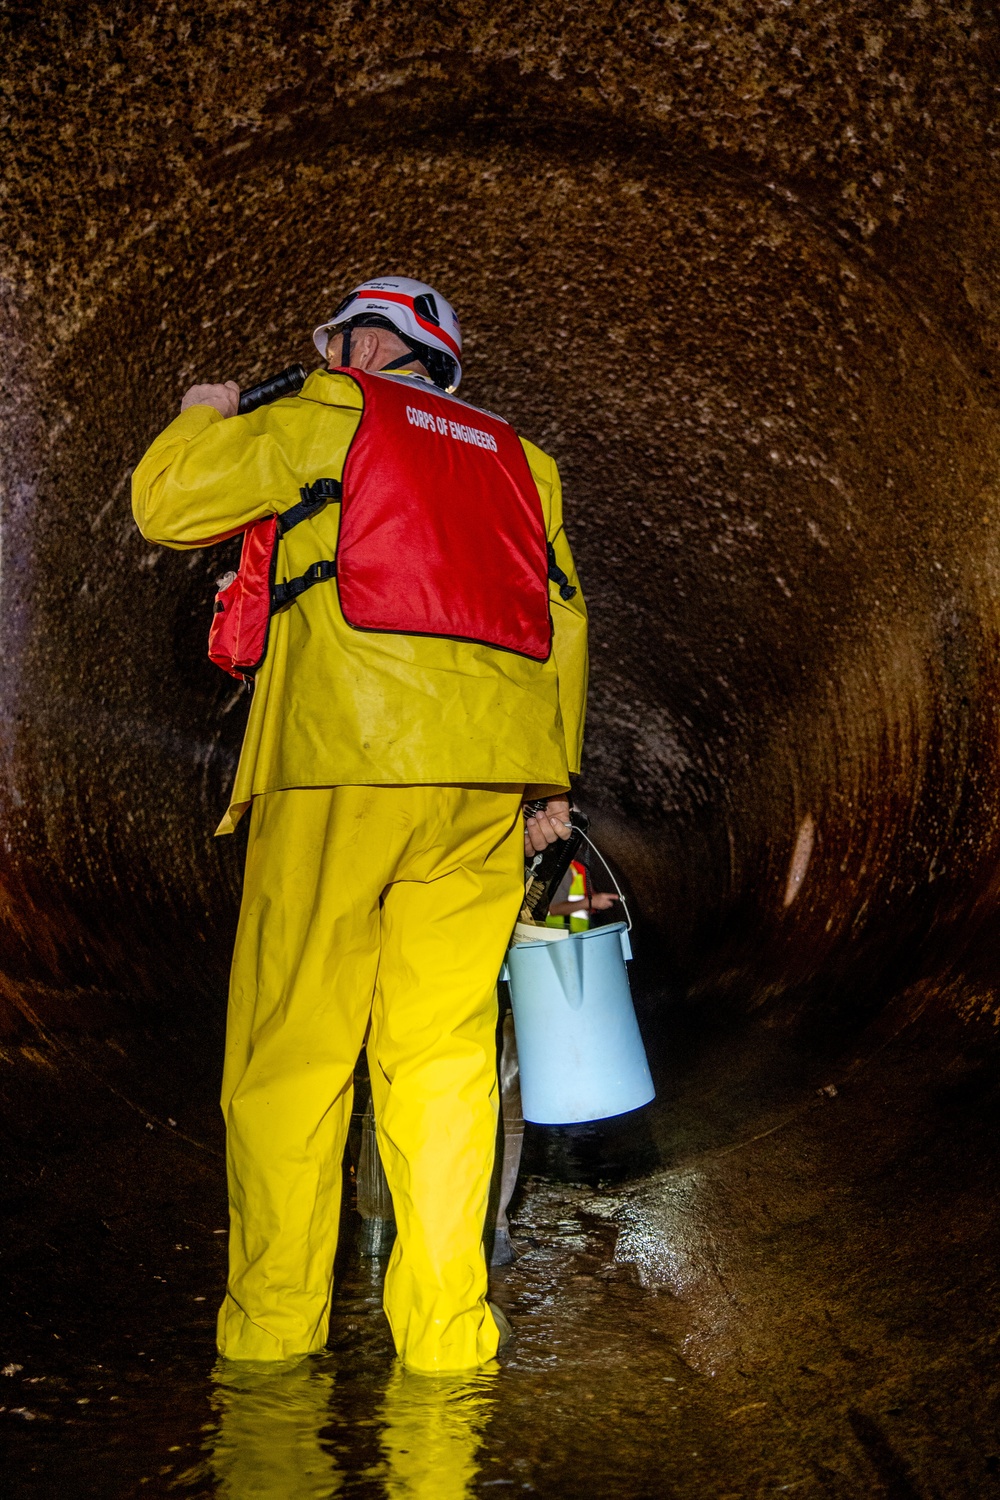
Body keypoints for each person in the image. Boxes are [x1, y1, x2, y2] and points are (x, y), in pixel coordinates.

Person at [131, 275, 588, 1372]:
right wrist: (548, 787)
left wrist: (204, 409)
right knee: (443, 1064)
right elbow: (561, 620)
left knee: (293, 1056)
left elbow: (168, 503)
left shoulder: (327, 413)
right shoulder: (525, 465)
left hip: (340, 766)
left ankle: (273, 1336)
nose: (333, 355)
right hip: (482, 785)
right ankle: (446, 1338)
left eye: (338, 339)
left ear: (370, 348)